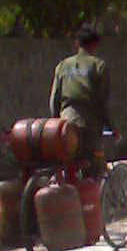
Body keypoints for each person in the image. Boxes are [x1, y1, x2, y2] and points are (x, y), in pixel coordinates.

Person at [49, 24, 114, 162]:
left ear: (77, 43)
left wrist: (56, 125)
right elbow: (102, 104)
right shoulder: (98, 66)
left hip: (65, 125)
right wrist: (111, 127)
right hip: (89, 126)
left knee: (69, 163)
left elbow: (54, 100)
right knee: (95, 166)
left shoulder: (62, 66)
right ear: (95, 45)